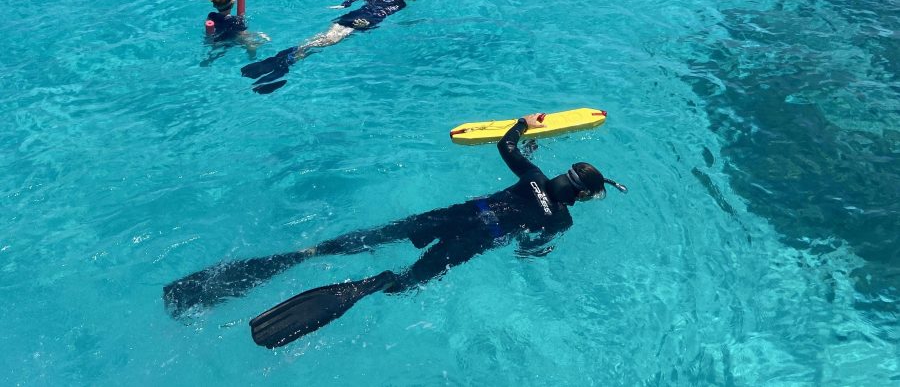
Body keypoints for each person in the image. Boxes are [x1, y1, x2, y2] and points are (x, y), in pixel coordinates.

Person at [163, 114, 628, 347]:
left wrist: (527, 125)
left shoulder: (532, 177)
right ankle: (378, 283)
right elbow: (529, 250)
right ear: (583, 196)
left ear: (566, 175)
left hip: (450, 217)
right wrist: (532, 246)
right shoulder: (561, 219)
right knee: (410, 280)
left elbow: (506, 142)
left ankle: (307, 252)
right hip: (470, 242)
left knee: (372, 236)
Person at [240, 0, 417, 93]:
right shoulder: (400, 4)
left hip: (351, 15)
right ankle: (287, 60)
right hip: (359, 23)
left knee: (321, 40)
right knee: (323, 43)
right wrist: (368, 25)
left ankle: (287, 56)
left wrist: (346, 4)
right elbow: (382, 14)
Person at [204, 0, 269, 53]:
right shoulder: (237, 21)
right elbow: (243, 34)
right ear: (232, 4)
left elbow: (209, 33)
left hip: (217, 42)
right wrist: (257, 34)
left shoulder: (211, 16)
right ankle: (252, 55)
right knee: (249, 41)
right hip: (232, 40)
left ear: (214, 5)